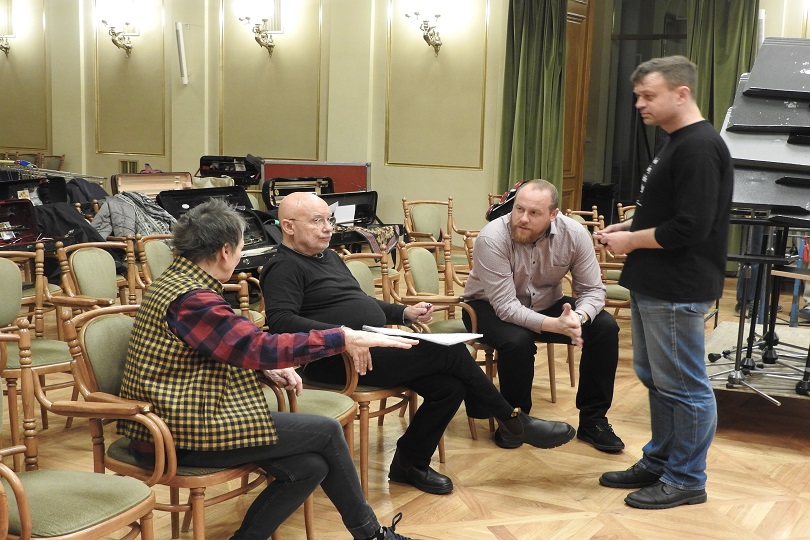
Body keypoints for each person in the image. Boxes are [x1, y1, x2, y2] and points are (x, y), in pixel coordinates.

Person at [117, 198, 421, 540]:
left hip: (182, 415)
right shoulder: (192, 298)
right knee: (327, 432)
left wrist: (262, 369)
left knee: (310, 467)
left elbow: (225, 345)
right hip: (179, 430)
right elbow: (255, 346)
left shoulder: (178, 283)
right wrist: (341, 336)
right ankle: (371, 535)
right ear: (224, 252)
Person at [260, 191, 577, 496]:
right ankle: (512, 420)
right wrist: (343, 335)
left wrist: (402, 311)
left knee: (448, 388)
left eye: (329, 220)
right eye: (317, 221)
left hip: (373, 343)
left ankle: (408, 465)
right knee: (450, 349)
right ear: (288, 226)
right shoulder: (284, 265)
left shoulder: (327, 257)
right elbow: (281, 322)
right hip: (337, 359)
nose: (328, 228)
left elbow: (356, 301)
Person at [596, 55, 733, 509]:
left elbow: (691, 227)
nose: (639, 104)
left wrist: (632, 239)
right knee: (657, 379)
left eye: (648, 95)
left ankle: (686, 478)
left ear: (682, 93)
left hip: (677, 287)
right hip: (655, 282)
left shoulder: (698, 146)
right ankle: (660, 461)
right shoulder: (676, 141)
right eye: (637, 95)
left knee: (686, 388)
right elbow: (669, 212)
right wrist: (628, 228)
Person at [462, 179, 624, 453]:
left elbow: (594, 290)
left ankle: (593, 421)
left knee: (605, 327)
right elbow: (505, 307)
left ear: (553, 215)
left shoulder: (574, 234)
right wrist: (555, 325)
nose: (523, 219)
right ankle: (515, 421)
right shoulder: (492, 237)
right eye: (519, 209)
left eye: (534, 213)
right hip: (486, 307)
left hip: (548, 303)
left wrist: (579, 319)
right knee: (517, 340)